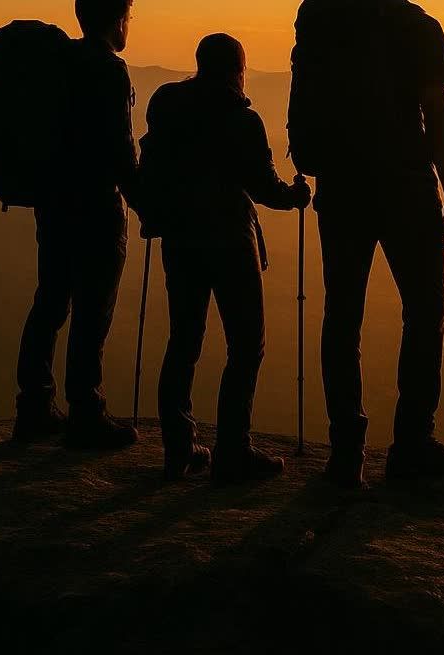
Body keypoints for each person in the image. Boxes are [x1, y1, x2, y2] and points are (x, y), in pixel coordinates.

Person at [289, 0, 444, 488]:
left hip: (342, 185)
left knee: (342, 315)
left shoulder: (322, 18)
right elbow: (438, 114)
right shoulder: (419, 27)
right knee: (425, 311)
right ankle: (412, 443)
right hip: (407, 184)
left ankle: (347, 453)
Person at [136, 34, 312, 482]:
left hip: (180, 238)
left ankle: (179, 449)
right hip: (231, 241)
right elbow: (264, 187)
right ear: (238, 69)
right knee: (246, 343)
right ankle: (234, 450)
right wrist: (296, 197)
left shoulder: (167, 104)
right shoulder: (241, 120)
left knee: (184, 342)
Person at [12, 0, 140, 449]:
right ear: (116, 19)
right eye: (129, 15)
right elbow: (121, 152)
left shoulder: (58, 62)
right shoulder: (109, 70)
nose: (130, 24)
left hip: (53, 200)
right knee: (92, 311)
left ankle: (34, 407)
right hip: (97, 206)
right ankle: (87, 411)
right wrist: (148, 204)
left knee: (50, 301)